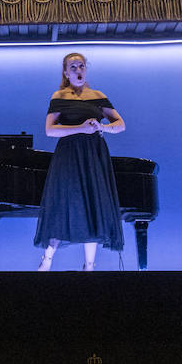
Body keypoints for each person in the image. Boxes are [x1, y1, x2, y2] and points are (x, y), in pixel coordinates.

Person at [34, 52, 126, 270]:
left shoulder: (97, 95)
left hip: (93, 155)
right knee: (63, 203)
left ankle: (90, 266)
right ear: (66, 72)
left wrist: (101, 127)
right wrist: (81, 128)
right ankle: (46, 261)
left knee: (92, 203)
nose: (78, 70)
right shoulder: (59, 96)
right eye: (73, 67)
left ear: (86, 69)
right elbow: (49, 130)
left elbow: (120, 124)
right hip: (68, 156)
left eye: (81, 66)